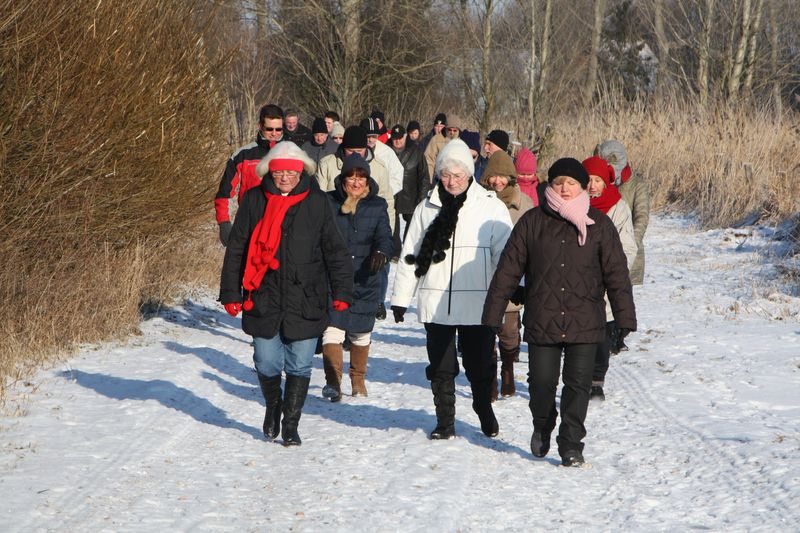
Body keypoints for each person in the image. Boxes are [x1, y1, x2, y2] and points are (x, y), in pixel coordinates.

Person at [482, 157, 636, 467]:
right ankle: (542, 424)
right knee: (541, 383)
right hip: (543, 318)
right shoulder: (532, 222)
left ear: (583, 187)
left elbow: (617, 274)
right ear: (549, 185)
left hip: (585, 320)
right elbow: (508, 270)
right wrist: (493, 314)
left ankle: (571, 444)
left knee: (578, 385)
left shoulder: (599, 225)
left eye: (572, 183)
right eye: (558, 182)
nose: (564, 188)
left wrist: (624, 319)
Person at [219, 141, 354, 447]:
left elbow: (335, 250)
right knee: (266, 360)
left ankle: (291, 424)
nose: (285, 178)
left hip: (306, 296)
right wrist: (230, 292)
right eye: (279, 172)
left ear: (301, 172)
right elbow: (237, 248)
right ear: (270, 172)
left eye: (291, 172)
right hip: (263, 294)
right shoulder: (254, 200)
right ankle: (273, 404)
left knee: (300, 364)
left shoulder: (317, 203)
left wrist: (342, 291)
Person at [391, 139, 513, 440]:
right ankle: (445, 422)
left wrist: (509, 292)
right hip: (436, 302)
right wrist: (401, 298)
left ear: (469, 175)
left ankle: (483, 407)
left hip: (477, 302)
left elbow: (506, 257)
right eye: (446, 175)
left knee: (479, 365)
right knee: (441, 368)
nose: (451, 181)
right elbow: (411, 254)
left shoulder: (491, 207)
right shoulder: (426, 207)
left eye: (458, 175)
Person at [321, 154, 393, 401]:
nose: (355, 183)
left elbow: (385, 237)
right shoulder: (329, 202)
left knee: (361, 332)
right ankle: (333, 382)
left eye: (360, 178)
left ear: (367, 181)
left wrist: (382, 252)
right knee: (332, 329)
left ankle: (358, 381)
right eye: (351, 178)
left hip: (366, 277)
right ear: (343, 180)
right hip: (335, 277)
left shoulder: (377, 206)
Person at [479, 150, 534, 399]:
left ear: (511, 177)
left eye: (503, 176)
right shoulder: (478, 201)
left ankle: (508, 366)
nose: (497, 181)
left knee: (509, 333)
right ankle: (490, 376)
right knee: (485, 332)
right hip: (484, 273)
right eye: (493, 175)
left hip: (514, 276)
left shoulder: (525, 204)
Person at [582, 156, 637, 401]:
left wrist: (613, 273)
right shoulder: (573, 205)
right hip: (578, 280)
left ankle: (596, 381)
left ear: (606, 182)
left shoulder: (618, 207)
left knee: (602, 332)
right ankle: (578, 378)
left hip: (605, 280)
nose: (592, 185)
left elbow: (628, 246)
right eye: (588, 180)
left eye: (598, 180)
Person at [214, 104, 284, 247]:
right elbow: (224, 193)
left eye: (278, 129)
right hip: (250, 224)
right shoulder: (243, 155)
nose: (274, 133)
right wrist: (224, 223)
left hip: (283, 225)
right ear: (260, 126)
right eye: (269, 129)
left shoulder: (292, 153)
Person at [316, 125, 396, 236]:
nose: (355, 154)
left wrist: (387, 234)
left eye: (359, 151)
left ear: (366, 148)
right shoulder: (327, 164)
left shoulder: (379, 168)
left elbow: (388, 202)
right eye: (350, 150)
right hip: (336, 229)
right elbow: (319, 199)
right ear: (344, 148)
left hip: (368, 232)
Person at [595, 140, 649, 287]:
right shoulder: (599, 183)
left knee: (624, 297)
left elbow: (641, 218)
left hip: (628, 253)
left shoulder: (637, 185)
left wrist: (629, 248)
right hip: (600, 254)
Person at [390, 124, 430, 257]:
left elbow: (424, 177)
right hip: (392, 194)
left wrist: (422, 197)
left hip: (411, 194)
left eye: (400, 138)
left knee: (412, 223)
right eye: (395, 138)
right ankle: (395, 252)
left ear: (405, 137)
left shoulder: (416, 152)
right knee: (392, 223)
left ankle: (407, 249)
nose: (397, 141)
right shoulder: (386, 151)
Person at [424, 113, 464, 183]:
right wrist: (428, 182)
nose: (452, 132)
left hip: (457, 180)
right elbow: (429, 161)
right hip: (438, 178)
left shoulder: (463, 142)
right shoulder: (436, 139)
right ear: (446, 129)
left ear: (458, 130)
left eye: (454, 130)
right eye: (449, 130)